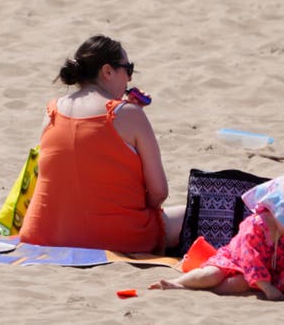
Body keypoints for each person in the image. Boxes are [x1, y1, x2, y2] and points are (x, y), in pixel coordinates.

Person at [19, 35, 185, 253]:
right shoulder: (128, 115)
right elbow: (159, 193)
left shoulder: (52, 111)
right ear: (107, 71)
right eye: (128, 69)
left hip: (43, 235)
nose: (129, 79)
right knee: (193, 213)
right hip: (114, 238)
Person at [148, 169, 284, 300]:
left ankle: (203, 291)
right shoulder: (256, 225)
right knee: (210, 275)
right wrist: (265, 286)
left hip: (259, 273)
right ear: (276, 209)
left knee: (240, 283)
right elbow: (248, 257)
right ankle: (179, 283)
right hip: (234, 259)